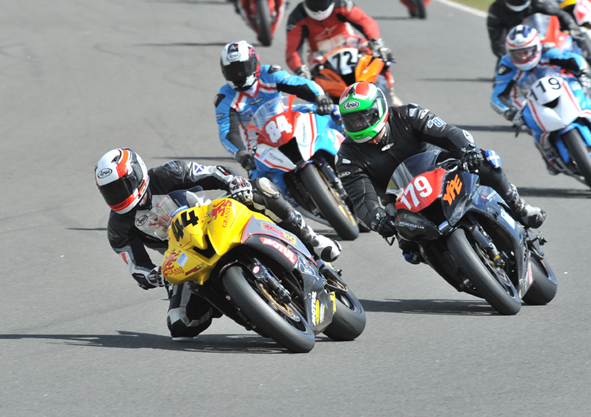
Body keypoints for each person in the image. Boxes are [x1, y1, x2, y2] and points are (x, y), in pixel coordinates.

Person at [95, 148, 341, 338]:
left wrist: (232, 182)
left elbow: (212, 172)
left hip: (214, 220)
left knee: (261, 191)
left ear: (137, 174)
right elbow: (136, 264)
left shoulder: (168, 173)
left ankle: (312, 241)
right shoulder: (118, 227)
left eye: (122, 186)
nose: (118, 195)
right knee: (180, 324)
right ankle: (238, 303)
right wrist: (150, 276)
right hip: (184, 256)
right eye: (111, 191)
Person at [334, 82, 546, 264]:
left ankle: (519, 207)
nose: (360, 124)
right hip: (400, 201)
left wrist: (468, 150)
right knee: (411, 251)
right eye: (353, 120)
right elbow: (361, 199)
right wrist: (376, 219)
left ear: (379, 109)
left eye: (364, 117)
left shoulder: (408, 114)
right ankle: (458, 268)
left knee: (486, 161)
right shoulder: (347, 157)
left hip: (441, 171)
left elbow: (448, 132)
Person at [491, 24, 591, 173]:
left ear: (536, 47)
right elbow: (497, 96)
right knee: (532, 126)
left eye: (526, 51)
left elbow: (573, 60)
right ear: (510, 52)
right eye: (517, 53)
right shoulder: (507, 65)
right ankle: (550, 158)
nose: (522, 56)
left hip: (562, 88)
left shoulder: (547, 50)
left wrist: (584, 74)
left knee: (586, 103)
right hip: (530, 99)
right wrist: (509, 112)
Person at [214, 40, 335, 171]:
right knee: (259, 181)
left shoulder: (271, 74)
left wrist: (320, 97)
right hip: (259, 145)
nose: (238, 75)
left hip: (289, 123)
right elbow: (228, 132)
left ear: (254, 63)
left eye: (243, 68)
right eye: (232, 71)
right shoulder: (224, 98)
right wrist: (241, 153)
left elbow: (300, 84)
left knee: (333, 112)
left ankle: (351, 151)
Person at [285, 0, 397, 101]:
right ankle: (325, 104)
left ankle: (389, 88)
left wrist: (376, 41)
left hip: (349, 42)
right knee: (311, 81)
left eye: (323, 2)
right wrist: (300, 69)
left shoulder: (342, 3)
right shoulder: (296, 18)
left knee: (380, 54)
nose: (319, 8)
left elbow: (365, 21)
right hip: (319, 53)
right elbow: (292, 50)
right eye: (313, 2)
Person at [487, 0, 579, 62]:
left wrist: (571, 25)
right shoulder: (496, 10)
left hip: (543, 44)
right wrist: (509, 57)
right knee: (501, 71)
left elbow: (558, 13)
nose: (518, 1)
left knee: (573, 49)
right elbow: (497, 41)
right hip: (517, 50)